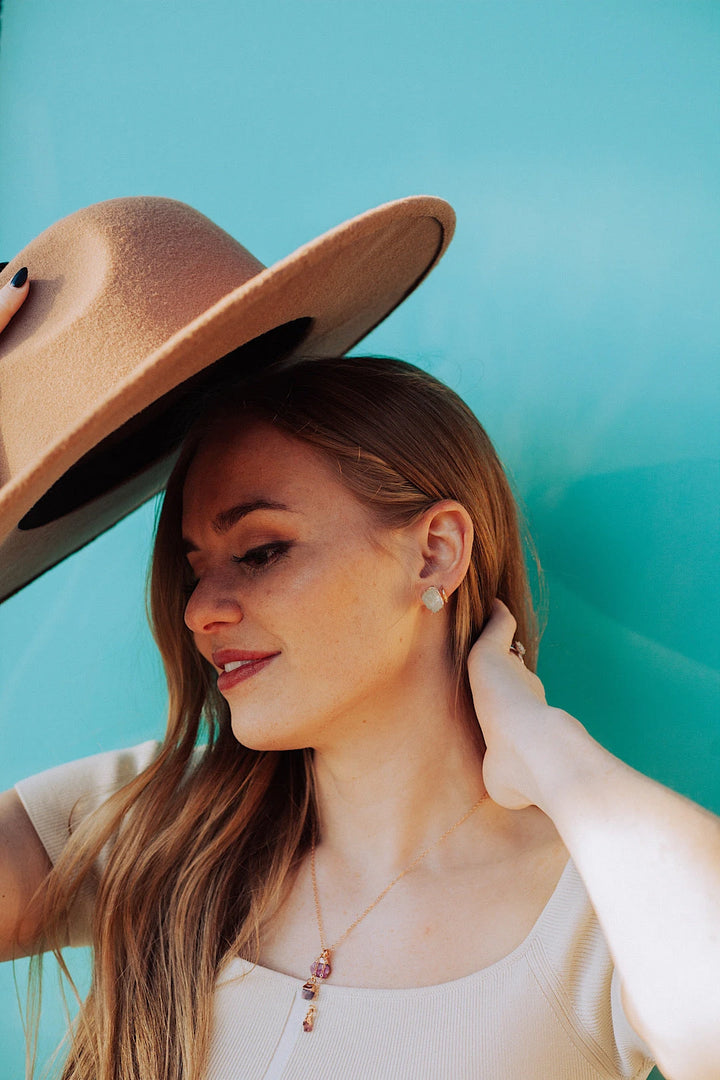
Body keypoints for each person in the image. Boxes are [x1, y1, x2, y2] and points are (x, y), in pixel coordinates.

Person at [0, 200, 719, 1080]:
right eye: (197, 568)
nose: (200, 611)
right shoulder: (149, 821)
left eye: (261, 551)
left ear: (435, 552)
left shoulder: (602, 904)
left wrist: (552, 755)